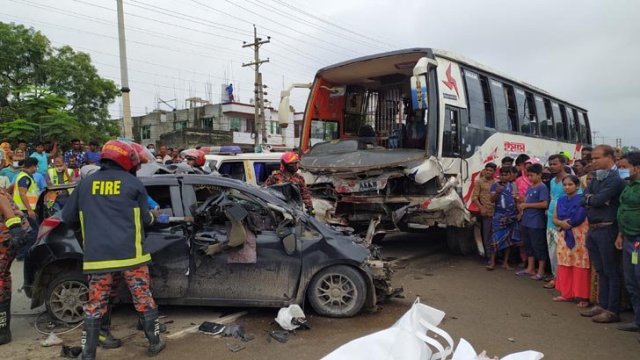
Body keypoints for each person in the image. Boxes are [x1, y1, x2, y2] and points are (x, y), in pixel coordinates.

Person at [61, 140, 167, 358]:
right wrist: (154, 216)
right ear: (126, 160)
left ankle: (88, 354)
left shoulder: (85, 184)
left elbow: (68, 218)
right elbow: (145, 219)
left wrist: (88, 239)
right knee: (143, 297)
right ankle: (154, 343)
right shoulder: (133, 183)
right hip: (132, 256)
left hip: (98, 258)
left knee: (95, 304)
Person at [580, 145, 626, 323]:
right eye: (592, 158)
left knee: (611, 270)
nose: (593, 162)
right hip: (593, 228)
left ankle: (612, 309)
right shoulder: (597, 177)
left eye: (596, 158)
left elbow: (596, 199)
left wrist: (593, 199)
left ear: (609, 157)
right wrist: (594, 199)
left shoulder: (616, 178)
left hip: (608, 228)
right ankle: (602, 303)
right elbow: (583, 198)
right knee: (600, 269)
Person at [552, 175, 590, 308]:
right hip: (564, 234)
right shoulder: (560, 200)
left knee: (580, 264)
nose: (567, 187)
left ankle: (583, 296)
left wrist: (566, 224)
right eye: (565, 185)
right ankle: (566, 293)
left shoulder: (582, 200)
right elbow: (554, 218)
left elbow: (579, 217)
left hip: (580, 235)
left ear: (577, 186)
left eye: (570, 184)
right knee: (565, 262)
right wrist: (561, 223)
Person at [0, 190, 30, 345]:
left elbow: (5, 205)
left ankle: (3, 330)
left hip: (5, 240)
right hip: (8, 238)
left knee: (1, 279)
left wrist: (15, 229)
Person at [615, 151, 640, 333]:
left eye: (624, 167)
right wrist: (621, 235)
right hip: (628, 239)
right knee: (631, 282)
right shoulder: (628, 186)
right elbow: (623, 210)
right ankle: (638, 321)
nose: (621, 171)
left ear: (637, 168)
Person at [516, 163, 549, 280]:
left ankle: (541, 270)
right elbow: (526, 201)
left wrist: (526, 204)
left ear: (539, 175)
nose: (530, 178)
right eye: (528, 175)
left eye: (532, 175)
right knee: (528, 245)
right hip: (526, 221)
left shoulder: (542, 187)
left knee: (538, 246)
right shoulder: (531, 187)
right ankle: (530, 268)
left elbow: (544, 204)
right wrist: (521, 202)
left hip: (536, 222)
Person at [545, 154, 570, 289]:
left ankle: (561, 279)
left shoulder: (569, 180)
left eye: (555, 164)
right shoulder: (552, 180)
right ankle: (556, 277)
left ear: (563, 164)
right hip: (550, 219)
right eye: (551, 164)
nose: (552, 166)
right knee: (552, 251)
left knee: (561, 252)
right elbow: (552, 198)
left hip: (562, 220)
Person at [487, 166, 518, 270]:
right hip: (499, 216)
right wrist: (497, 192)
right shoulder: (494, 186)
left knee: (508, 240)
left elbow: (516, 199)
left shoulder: (513, 186)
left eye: (506, 175)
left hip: (511, 216)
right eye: (502, 175)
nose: (504, 177)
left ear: (510, 175)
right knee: (495, 239)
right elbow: (492, 200)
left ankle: (505, 262)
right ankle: (492, 262)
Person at [11, 158, 39, 261]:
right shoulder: (24, 178)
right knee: (33, 231)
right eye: (36, 166)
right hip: (25, 210)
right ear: (32, 166)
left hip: (24, 209)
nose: (36, 168)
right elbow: (23, 194)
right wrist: (30, 210)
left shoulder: (24, 176)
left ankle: (22, 253)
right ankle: (23, 254)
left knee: (28, 231)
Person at [471, 163, 497, 257]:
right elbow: (474, 197)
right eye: (487, 170)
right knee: (487, 235)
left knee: (496, 235)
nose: (488, 172)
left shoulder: (496, 182)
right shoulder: (479, 182)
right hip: (486, 212)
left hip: (497, 212)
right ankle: (489, 256)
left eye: (491, 171)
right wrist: (481, 207)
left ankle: (496, 256)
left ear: (494, 172)